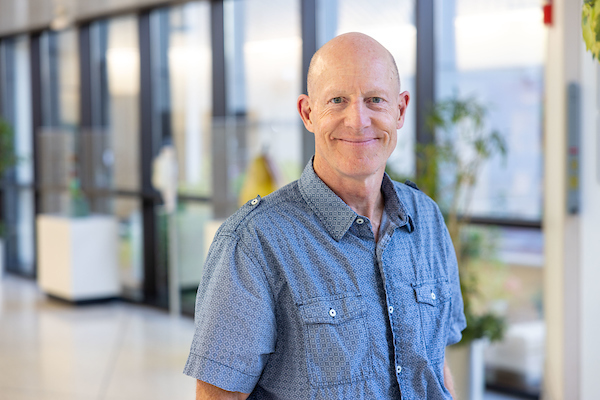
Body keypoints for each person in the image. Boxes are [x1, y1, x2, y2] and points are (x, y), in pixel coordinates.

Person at [184, 32, 466, 400]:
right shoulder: (253, 242)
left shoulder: (426, 218)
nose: (358, 120)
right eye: (337, 100)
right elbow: (219, 396)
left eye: (375, 100)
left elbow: (437, 365)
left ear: (400, 110)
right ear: (308, 113)